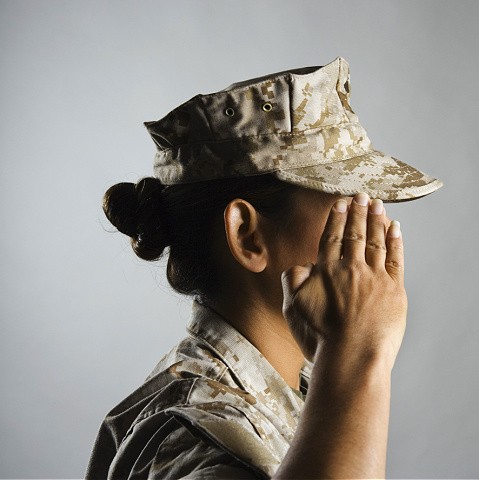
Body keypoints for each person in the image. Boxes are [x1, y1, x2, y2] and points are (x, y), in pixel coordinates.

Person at [86, 57, 442, 479]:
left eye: (372, 202)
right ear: (248, 236)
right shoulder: (190, 439)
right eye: (348, 203)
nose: (375, 228)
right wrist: (360, 354)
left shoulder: (309, 387)